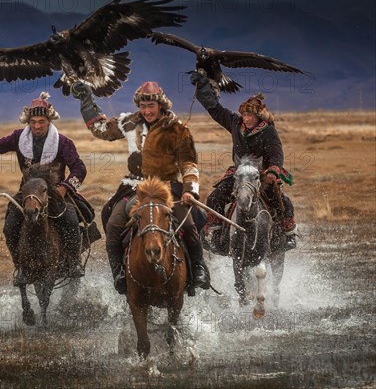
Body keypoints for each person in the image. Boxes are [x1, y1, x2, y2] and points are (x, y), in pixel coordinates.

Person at [72, 80, 211, 295]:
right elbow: (100, 129)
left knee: (190, 226)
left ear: (161, 105)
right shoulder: (129, 122)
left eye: (151, 107)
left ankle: (199, 270)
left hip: (167, 188)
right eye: (143, 107)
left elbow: (188, 163)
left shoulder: (177, 128)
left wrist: (189, 190)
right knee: (114, 225)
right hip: (135, 188)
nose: (146, 111)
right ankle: (119, 274)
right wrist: (86, 101)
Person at [0, 92, 88, 286]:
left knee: (71, 220)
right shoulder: (17, 138)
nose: (37, 126)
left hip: (55, 193)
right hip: (27, 194)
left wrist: (64, 188)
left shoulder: (63, 142)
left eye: (41, 121)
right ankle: (20, 267)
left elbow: (79, 168)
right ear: (28, 121)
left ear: (49, 121)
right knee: (9, 226)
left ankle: (74, 263)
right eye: (33, 122)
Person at [190, 71, 298, 252]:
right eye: (245, 115)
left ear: (259, 117)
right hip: (239, 172)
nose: (247, 119)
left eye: (251, 116)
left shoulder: (268, 131)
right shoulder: (235, 123)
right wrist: (202, 88)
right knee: (215, 197)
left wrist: (272, 171)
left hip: (263, 174)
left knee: (283, 203)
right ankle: (216, 236)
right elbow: (215, 109)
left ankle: (287, 235)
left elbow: (276, 154)